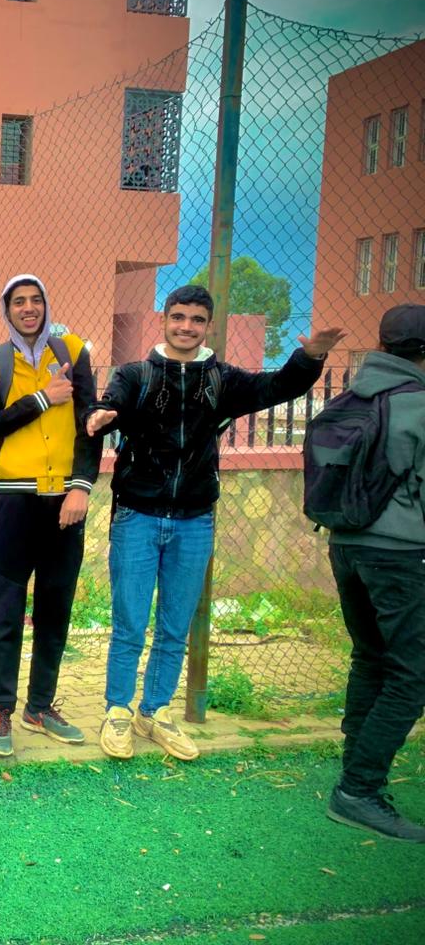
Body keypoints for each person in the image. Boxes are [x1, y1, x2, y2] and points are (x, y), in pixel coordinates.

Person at [87, 285, 345, 762]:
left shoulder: (222, 379)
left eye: (197, 319)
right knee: (129, 624)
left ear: (208, 326)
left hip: (194, 521)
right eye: (178, 317)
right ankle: (117, 711)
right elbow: (110, 403)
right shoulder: (136, 374)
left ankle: (154, 712)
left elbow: (277, 387)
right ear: (165, 320)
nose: (186, 326)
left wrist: (309, 357)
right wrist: (100, 415)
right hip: (137, 516)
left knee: (174, 627)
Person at [0, 274, 102, 758]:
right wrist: (42, 399)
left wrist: (81, 486)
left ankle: (41, 706)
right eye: (18, 302)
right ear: (7, 310)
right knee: (5, 610)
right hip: (15, 501)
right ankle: (1, 711)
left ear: (46, 305)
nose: (28, 309)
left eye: (36, 301)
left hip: (66, 501)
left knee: (55, 607)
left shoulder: (73, 352)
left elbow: (91, 422)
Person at [320, 304, 425, 842]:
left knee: (370, 658)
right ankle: (359, 789)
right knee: (412, 675)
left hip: (346, 545)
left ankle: (355, 775)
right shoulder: (417, 403)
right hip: (401, 554)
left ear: (383, 344)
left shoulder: (353, 396)